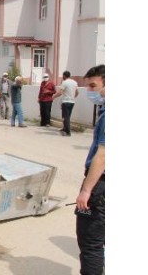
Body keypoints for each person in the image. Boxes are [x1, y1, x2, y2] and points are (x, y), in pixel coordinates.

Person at [74, 64, 105, 275]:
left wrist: (86, 190)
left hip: (100, 186)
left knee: (91, 243)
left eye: (93, 86)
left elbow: (103, 155)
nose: (90, 92)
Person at [53, 70, 79, 136]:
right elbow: (77, 92)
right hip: (72, 102)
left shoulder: (65, 82)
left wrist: (53, 97)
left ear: (64, 76)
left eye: (63, 76)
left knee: (65, 117)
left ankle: (68, 132)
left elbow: (60, 92)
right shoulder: (74, 82)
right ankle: (64, 128)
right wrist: (72, 97)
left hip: (66, 101)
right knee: (67, 116)